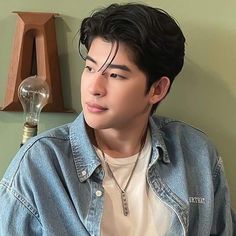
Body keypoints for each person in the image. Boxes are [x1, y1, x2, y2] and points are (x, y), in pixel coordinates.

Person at [0, 3, 235, 236]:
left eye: (115, 75)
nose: (94, 87)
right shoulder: (41, 163)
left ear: (157, 89)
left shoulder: (196, 154)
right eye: (90, 68)